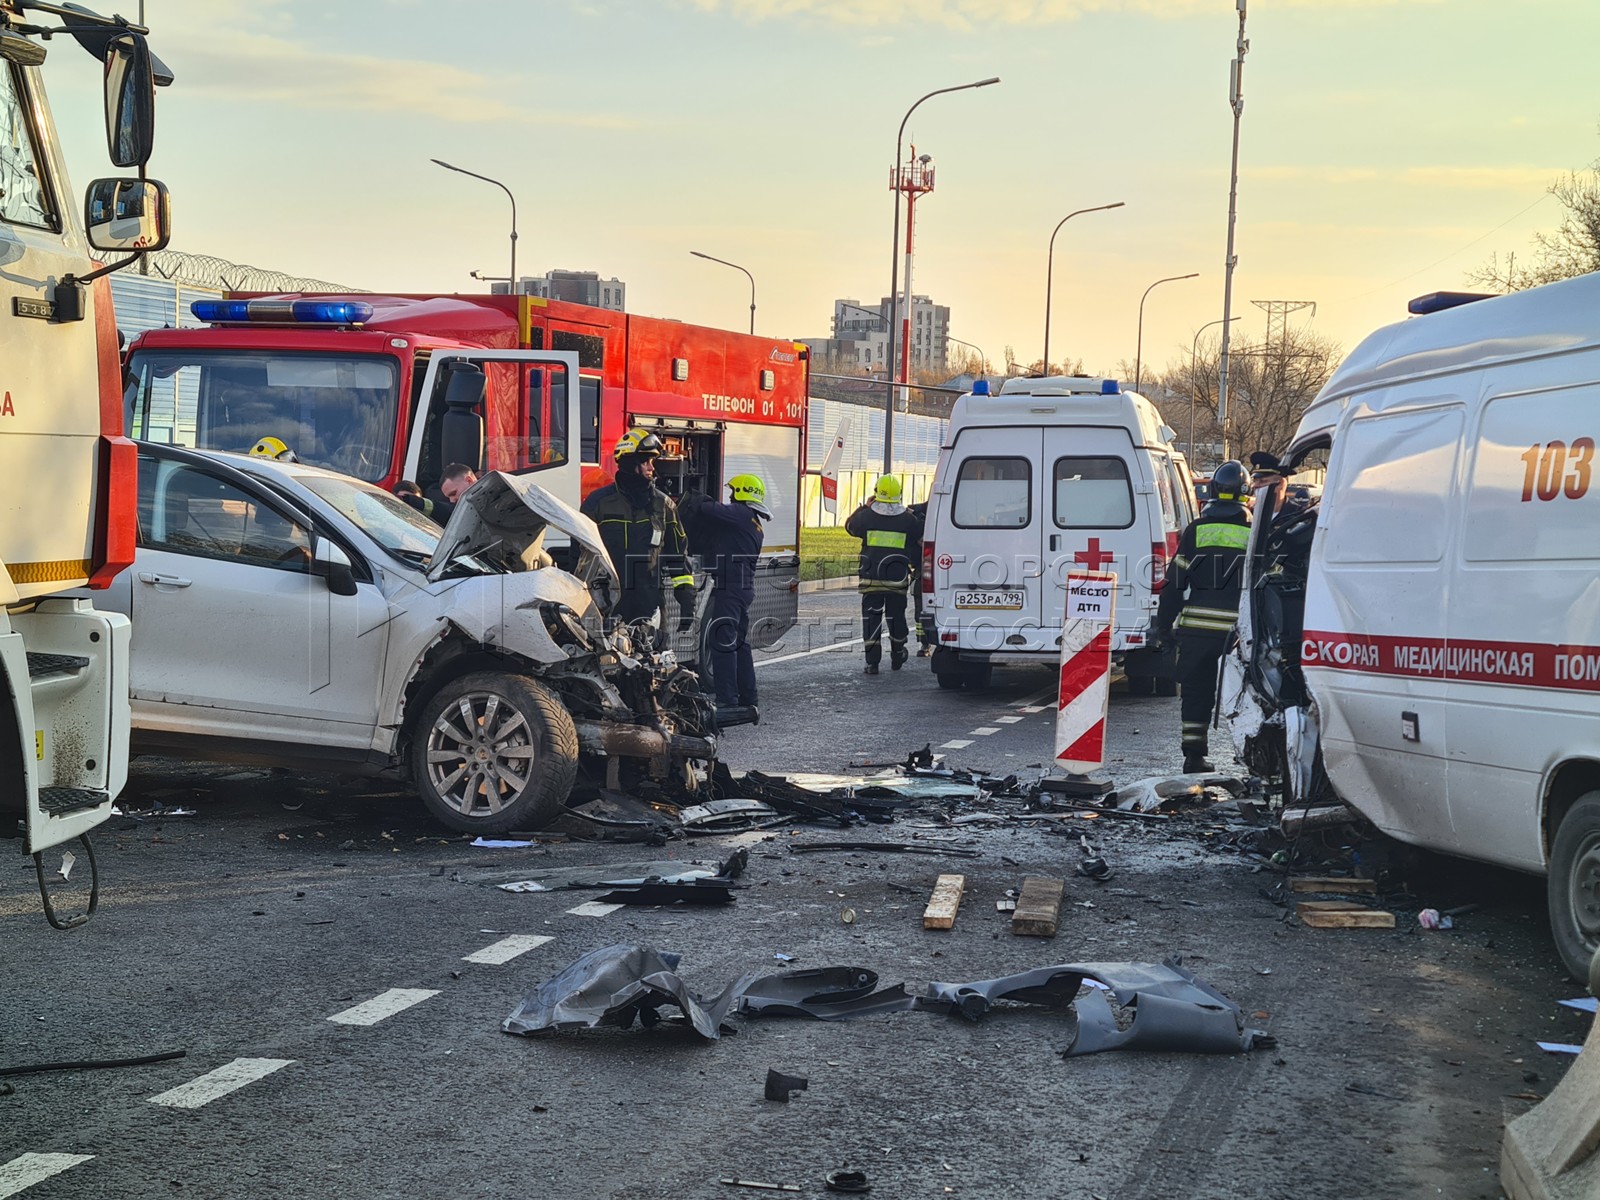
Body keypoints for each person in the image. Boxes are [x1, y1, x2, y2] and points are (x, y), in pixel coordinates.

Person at [1151, 459, 1252, 773]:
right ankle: (1255, 759)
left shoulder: (1196, 531)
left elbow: (1173, 586)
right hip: (1238, 635)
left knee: (1195, 695)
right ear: (1245, 494)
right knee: (1250, 698)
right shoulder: (1253, 532)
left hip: (1196, 633)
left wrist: (1163, 627)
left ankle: (1194, 757)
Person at [580, 430, 694, 628]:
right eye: (646, 461)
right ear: (630, 463)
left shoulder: (664, 505)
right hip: (607, 608)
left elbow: (678, 556)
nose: (652, 467)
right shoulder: (598, 504)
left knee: (655, 658)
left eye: (652, 461)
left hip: (650, 608)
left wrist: (687, 601)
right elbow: (580, 559)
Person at [679, 474, 768, 723]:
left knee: (723, 643)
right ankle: (749, 698)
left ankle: (727, 699)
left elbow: (708, 509)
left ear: (742, 493)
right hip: (741, 588)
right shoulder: (753, 521)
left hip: (732, 589)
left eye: (732, 492)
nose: (729, 497)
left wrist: (690, 496)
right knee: (739, 644)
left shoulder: (740, 513)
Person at [846, 474, 922, 675]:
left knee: (871, 619)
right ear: (899, 494)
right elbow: (921, 534)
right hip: (896, 579)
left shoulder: (866, 516)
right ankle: (897, 653)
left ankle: (872, 663)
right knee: (896, 617)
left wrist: (864, 507)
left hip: (871, 578)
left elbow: (850, 526)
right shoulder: (908, 519)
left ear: (876, 493)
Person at [907, 499, 936, 656]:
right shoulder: (916, 511)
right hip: (923, 566)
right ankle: (924, 643)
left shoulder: (918, 513)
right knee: (920, 605)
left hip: (939, 564)